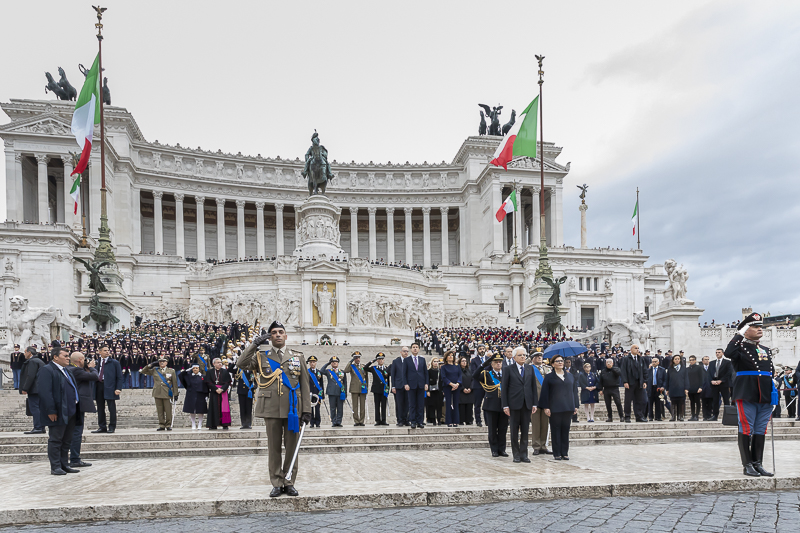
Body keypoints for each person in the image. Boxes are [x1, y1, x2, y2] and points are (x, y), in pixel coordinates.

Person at [236, 321, 312, 497]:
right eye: (274, 332)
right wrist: (254, 344)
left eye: (281, 332)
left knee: (292, 447)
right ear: (269, 336)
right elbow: (241, 363)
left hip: (293, 409)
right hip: (271, 408)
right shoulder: (262, 355)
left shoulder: (297, 356)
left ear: (286, 336)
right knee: (274, 448)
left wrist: (306, 409)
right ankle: (277, 482)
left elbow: (305, 385)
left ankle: (289, 482)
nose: (277, 335)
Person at [726, 312, 775, 477]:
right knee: (746, 428)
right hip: (746, 392)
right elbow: (728, 353)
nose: (759, 329)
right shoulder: (738, 348)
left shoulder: (765, 350)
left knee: (761, 429)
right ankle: (747, 465)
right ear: (745, 330)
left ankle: (757, 463)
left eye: (760, 326)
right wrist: (739, 333)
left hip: (765, 395)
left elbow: (770, 371)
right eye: (754, 326)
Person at [37, 347, 82, 475]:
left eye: (69, 356)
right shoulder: (47, 370)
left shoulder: (67, 370)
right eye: (65, 356)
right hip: (58, 411)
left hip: (71, 411)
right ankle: (55, 466)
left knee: (67, 440)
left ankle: (64, 464)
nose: (68, 358)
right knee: (56, 439)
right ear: (55, 357)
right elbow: (45, 392)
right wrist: (51, 410)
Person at [538, 355, 580, 461]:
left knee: (565, 430)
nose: (560, 362)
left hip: (568, 406)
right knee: (556, 430)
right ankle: (557, 453)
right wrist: (546, 407)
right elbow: (545, 392)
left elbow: (574, 391)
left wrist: (576, 405)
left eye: (562, 361)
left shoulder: (570, 376)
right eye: (557, 361)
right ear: (552, 364)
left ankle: (564, 452)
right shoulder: (549, 377)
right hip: (555, 407)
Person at [501, 346, 538, 463]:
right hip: (513, 404)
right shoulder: (508, 369)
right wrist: (505, 405)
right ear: (514, 357)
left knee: (525, 431)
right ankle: (516, 455)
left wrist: (534, 403)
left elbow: (533, 387)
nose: (523, 357)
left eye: (524, 355)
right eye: (520, 355)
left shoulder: (529, 369)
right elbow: (504, 388)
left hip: (527, 404)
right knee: (514, 431)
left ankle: (524, 454)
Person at [473, 353, 508, 457]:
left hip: (504, 405)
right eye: (495, 362)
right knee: (492, 429)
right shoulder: (486, 374)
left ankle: (502, 449)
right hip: (491, 405)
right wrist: (485, 364)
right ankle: (494, 449)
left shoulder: (506, 373)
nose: (498, 364)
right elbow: (475, 375)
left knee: (503, 429)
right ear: (491, 364)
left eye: (500, 362)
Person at [67, 351, 97, 468]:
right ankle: (75, 458)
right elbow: (95, 377)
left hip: (73, 403)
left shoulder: (70, 369)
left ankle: (73, 457)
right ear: (80, 360)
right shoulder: (76, 370)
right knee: (77, 432)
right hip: (78, 405)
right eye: (84, 359)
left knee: (74, 431)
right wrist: (92, 368)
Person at [140, 356, 180, 430]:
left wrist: (176, 393)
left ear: (166, 362)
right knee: (160, 410)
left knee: (168, 410)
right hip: (157, 392)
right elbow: (143, 371)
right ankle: (161, 424)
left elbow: (174, 383)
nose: (162, 362)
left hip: (167, 393)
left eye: (163, 361)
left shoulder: (171, 371)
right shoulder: (155, 370)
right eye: (160, 361)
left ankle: (168, 425)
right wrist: (151, 365)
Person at [91, 345, 123, 434]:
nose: (107, 352)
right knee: (100, 408)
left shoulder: (114, 363)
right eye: (105, 350)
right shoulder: (97, 362)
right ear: (99, 352)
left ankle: (112, 427)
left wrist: (118, 388)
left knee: (111, 408)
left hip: (110, 387)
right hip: (99, 386)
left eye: (108, 350)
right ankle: (102, 427)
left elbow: (119, 377)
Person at [400, 342, 428, 429]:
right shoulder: (407, 360)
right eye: (413, 347)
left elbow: (425, 373)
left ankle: (420, 421)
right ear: (411, 349)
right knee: (412, 404)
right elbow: (404, 374)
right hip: (411, 385)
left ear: (419, 349)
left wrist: (426, 383)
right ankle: (413, 421)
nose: (415, 348)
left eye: (416, 347)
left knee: (420, 404)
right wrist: (405, 383)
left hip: (420, 384)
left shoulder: (422, 360)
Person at [19, 346, 46, 434]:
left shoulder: (32, 361)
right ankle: (41, 427)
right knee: (40, 408)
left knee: (34, 408)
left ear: (29, 353)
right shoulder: (39, 361)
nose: (24, 354)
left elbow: (30, 375)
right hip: (41, 388)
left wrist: (25, 388)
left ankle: (38, 427)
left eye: (25, 352)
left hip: (34, 389)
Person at [530, 352, 551, 455]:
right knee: (536, 424)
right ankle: (536, 446)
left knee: (545, 424)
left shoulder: (547, 368)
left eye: (540, 356)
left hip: (546, 399)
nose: (539, 358)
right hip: (535, 399)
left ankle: (543, 445)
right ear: (532, 359)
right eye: (536, 356)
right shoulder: (529, 368)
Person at [620, 344, 647, 423]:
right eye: (636, 348)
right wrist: (625, 381)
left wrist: (644, 381)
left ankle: (639, 416)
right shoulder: (626, 359)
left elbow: (644, 371)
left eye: (638, 348)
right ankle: (627, 416)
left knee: (639, 400)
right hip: (630, 382)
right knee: (628, 400)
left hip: (639, 382)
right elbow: (623, 371)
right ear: (631, 349)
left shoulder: (641, 359)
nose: (637, 349)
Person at [204, 357, 232, 430]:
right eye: (218, 362)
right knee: (214, 407)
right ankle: (213, 424)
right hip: (214, 392)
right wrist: (216, 389)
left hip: (223, 392)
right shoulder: (210, 372)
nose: (220, 364)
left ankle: (225, 424)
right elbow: (208, 382)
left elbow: (228, 382)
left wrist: (222, 389)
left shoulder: (225, 371)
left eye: (220, 362)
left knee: (224, 407)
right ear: (214, 364)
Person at [364, 353, 391, 426]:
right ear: (377, 360)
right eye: (379, 359)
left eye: (382, 359)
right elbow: (365, 368)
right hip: (376, 389)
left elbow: (388, 379)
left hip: (384, 390)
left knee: (383, 405)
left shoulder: (386, 368)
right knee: (377, 405)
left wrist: (388, 388)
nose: (381, 360)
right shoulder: (374, 368)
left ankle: (384, 420)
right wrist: (372, 361)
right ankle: (377, 420)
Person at [343, 352, 369, 427]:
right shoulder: (351, 366)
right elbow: (345, 370)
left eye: (358, 357)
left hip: (362, 388)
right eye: (356, 358)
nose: (357, 359)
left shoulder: (363, 366)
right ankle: (356, 420)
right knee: (355, 406)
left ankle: (361, 420)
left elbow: (366, 378)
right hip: (354, 388)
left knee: (362, 406)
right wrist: (350, 361)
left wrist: (367, 387)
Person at [180, 364, 208, 430]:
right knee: (192, 409)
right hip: (191, 394)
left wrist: (207, 395)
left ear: (199, 369)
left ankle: (200, 424)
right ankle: (193, 424)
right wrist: (187, 370)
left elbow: (206, 386)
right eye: (194, 368)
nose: (195, 369)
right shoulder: (189, 376)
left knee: (200, 410)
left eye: (196, 368)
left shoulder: (203, 376)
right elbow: (181, 376)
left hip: (201, 394)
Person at [321, 356, 347, 427]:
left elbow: (345, 383)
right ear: (331, 363)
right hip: (331, 392)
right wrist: (327, 363)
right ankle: (334, 421)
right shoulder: (328, 371)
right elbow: (321, 371)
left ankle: (339, 421)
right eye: (333, 362)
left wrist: (345, 394)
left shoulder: (342, 372)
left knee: (340, 408)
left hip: (340, 393)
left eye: (336, 362)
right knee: (332, 408)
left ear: (338, 363)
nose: (334, 363)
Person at [709, 348, 734, 421]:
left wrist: (721, 380)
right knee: (715, 400)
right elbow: (709, 373)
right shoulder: (712, 363)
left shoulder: (727, 362)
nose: (717, 354)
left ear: (722, 353)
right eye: (716, 352)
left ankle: (728, 416)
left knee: (726, 400)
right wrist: (711, 380)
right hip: (714, 383)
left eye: (719, 352)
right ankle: (715, 415)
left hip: (724, 384)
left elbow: (729, 373)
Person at [390, 346, 410, 427]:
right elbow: (393, 375)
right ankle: (400, 420)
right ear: (401, 352)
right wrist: (393, 386)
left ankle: (406, 420)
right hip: (398, 386)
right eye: (404, 351)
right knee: (399, 404)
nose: (406, 353)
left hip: (408, 386)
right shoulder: (395, 361)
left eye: (407, 351)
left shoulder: (410, 361)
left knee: (407, 404)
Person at [469, 343, 488, 427]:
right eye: (480, 349)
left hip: (488, 385)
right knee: (477, 404)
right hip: (478, 385)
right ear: (477, 351)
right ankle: (478, 420)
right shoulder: (474, 360)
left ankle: (487, 421)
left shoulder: (488, 359)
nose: (482, 350)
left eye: (483, 349)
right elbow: (473, 373)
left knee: (487, 403)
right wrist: (483, 377)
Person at [599, 358, 624, 422]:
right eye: (607, 362)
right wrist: (600, 389)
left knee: (618, 403)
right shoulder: (603, 371)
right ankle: (610, 417)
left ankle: (621, 416)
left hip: (614, 388)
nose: (608, 363)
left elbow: (619, 373)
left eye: (610, 362)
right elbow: (600, 380)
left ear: (612, 363)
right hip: (606, 389)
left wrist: (612, 368)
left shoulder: (616, 369)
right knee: (608, 404)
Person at [666, 354, 689, 422]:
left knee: (681, 403)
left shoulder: (683, 368)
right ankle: (673, 416)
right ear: (673, 360)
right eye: (675, 359)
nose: (677, 360)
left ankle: (680, 416)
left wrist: (686, 388)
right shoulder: (670, 368)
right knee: (673, 403)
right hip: (673, 388)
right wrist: (667, 389)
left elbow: (686, 379)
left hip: (681, 388)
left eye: (678, 359)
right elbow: (667, 379)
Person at [439, 352, 460, 426]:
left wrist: (457, 384)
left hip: (456, 387)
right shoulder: (443, 367)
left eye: (452, 355)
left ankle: (456, 421)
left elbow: (460, 376)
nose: (450, 357)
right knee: (448, 403)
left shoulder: (457, 366)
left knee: (455, 403)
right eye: (449, 355)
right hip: (447, 386)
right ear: (446, 357)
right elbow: (443, 377)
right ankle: (448, 421)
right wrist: (451, 384)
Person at [305, 356, 324, 428]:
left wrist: (322, 394)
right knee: (311, 409)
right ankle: (312, 422)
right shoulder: (307, 372)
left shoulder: (319, 372)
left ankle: (318, 422)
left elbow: (321, 383)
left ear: (316, 363)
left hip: (317, 392)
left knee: (317, 409)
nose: (312, 364)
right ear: (309, 363)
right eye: (311, 362)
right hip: (310, 392)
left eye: (313, 362)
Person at [646, 356, 667, 421]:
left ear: (658, 362)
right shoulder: (648, 370)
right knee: (650, 403)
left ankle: (658, 417)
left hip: (659, 388)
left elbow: (665, 380)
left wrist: (663, 387)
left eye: (655, 362)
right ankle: (650, 417)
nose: (654, 363)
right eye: (652, 362)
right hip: (651, 388)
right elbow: (646, 379)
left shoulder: (662, 370)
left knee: (658, 403)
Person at [686, 355, 706, 421]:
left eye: (692, 360)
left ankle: (697, 415)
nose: (691, 361)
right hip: (690, 388)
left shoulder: (699, 368)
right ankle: (692, 415)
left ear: (695, 360)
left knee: (697, 402)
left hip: (697, 388)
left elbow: (701, 377)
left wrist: (701, 387)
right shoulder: (687, 369)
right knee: (692, 402)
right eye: (690, 360)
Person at [426, 357, 444, 425]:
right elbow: (427, 381)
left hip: (439, 390)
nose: (436, 363)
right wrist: (427, 391)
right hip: (431, 390)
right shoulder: (429, 371)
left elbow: (442, 381)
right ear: (432, 363)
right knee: (432, 406)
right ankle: (432, 420)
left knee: (439, 406)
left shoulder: (440, 371)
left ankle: (439, 419)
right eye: (434, 361)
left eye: (437, 362)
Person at [458, 356, 475, 425]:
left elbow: (473, 380)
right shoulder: (458, 370)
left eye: (465, 361)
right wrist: (463, 388)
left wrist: (470, 388)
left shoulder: (469, 370)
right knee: (461, 407)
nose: (464, 362)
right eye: (462, 361)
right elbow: (457, 380)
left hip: (470, 391)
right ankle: (461, 420)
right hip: (461, 391)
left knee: (469, 406)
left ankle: (469, 420)